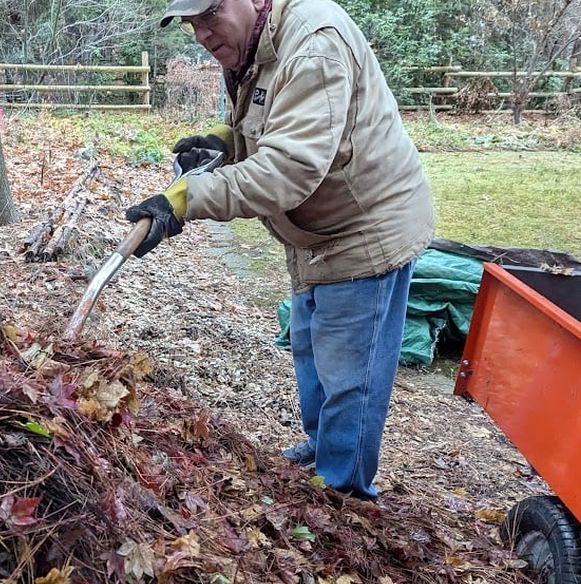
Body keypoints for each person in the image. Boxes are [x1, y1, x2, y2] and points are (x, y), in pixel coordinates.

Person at [123, 0, 436, 500]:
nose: (202, 34)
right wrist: (223, 141)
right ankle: (323, 447)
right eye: (192, 24)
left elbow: (289, 170)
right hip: (316, 234)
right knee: (311, 348)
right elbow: (274, 121)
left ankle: (342, 494)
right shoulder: (257, 42)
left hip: (363, 230)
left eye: (211, 15)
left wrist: (186, 199)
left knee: (350, 378)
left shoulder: (315, 46)